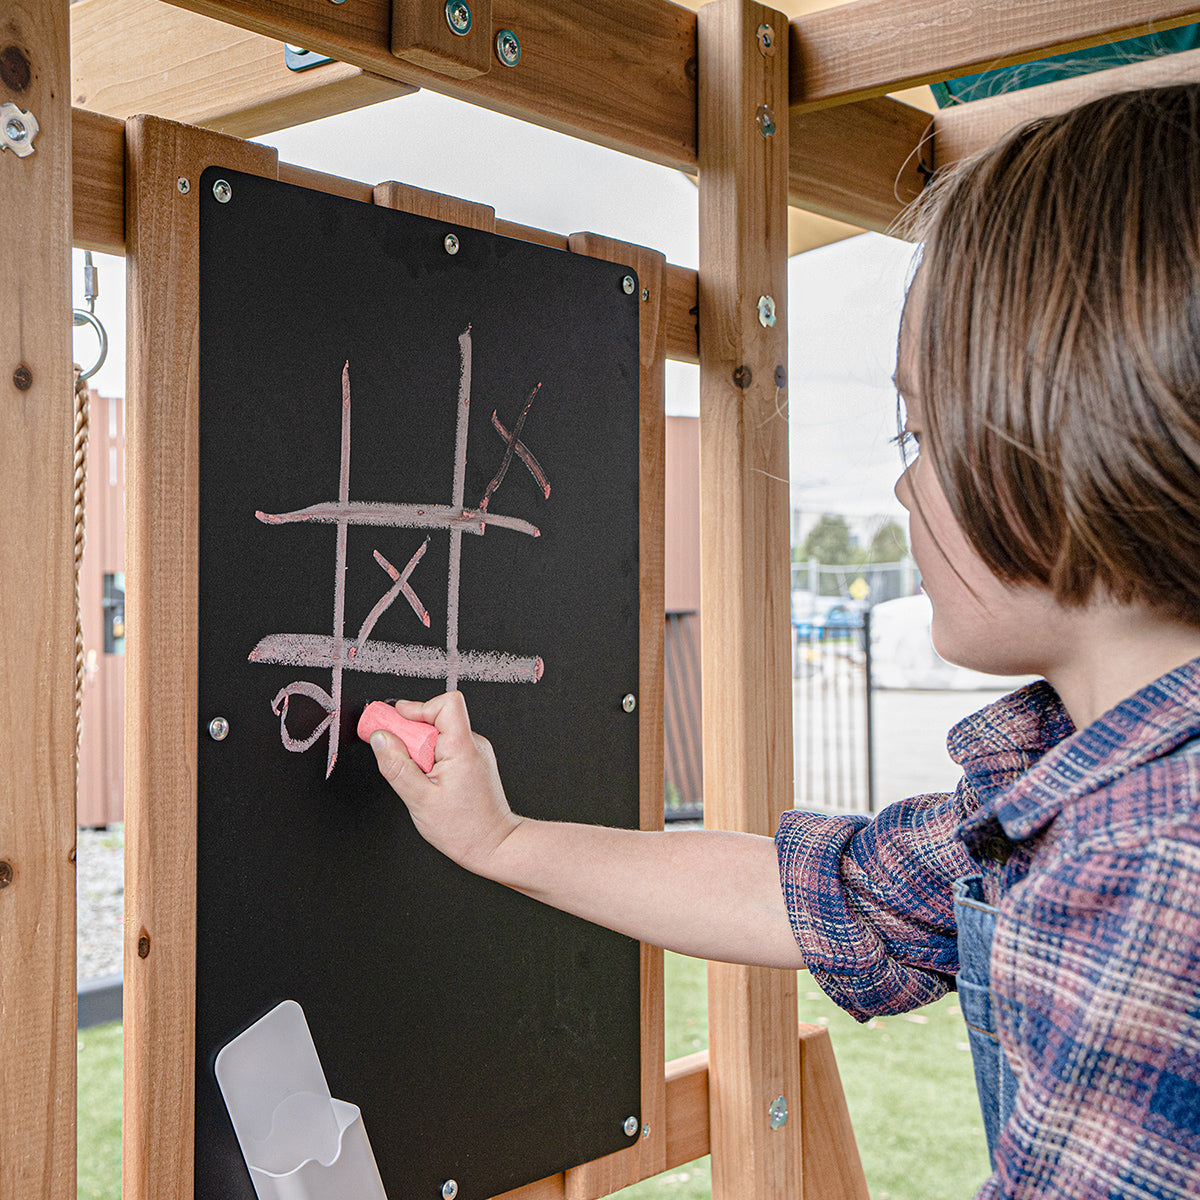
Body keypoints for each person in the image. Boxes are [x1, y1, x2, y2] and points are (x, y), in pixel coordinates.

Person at [369, 84, 1200, 1199]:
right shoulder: (1082, 776)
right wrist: (503, 839)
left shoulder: (1149, 882)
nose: (904, 481)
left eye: (923, 429)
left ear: (1079, 421)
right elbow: (833, 893)